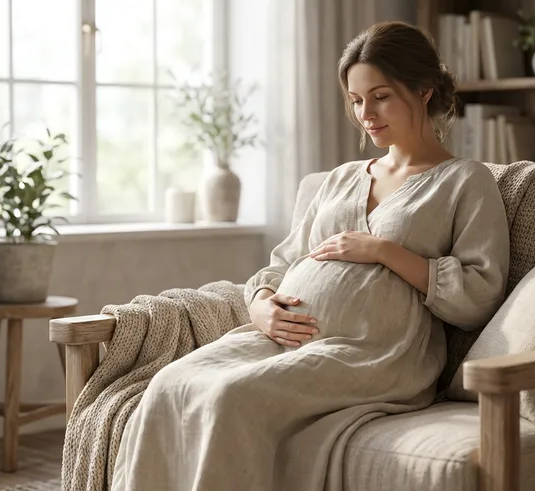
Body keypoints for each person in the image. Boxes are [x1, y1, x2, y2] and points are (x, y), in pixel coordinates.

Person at [111, 20, 510, 491]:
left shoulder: (465, 180)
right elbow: (283, 262)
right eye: (356, 100)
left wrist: (385, 251)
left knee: (233, 397)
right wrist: (260, 305)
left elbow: (480, 293)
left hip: (375, 351)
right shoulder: (340, 179)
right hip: (281, 337)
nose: (366, 114)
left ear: (423, 90)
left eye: (380, 97)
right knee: (169, 384)